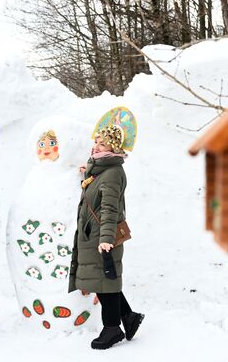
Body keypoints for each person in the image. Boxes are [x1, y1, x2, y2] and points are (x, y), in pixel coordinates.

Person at [69, 124, 144, 350]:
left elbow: (110, 209)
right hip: (93, 233)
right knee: (103, 278)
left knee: (104, 282)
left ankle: (112, 328)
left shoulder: (111, 173)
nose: (96, 146)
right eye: (97, 142)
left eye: (103, 143)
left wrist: (106, 238)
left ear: (113, 148)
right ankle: (129, 317)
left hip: (101, 235)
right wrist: (87, 171)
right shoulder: (101, 168)